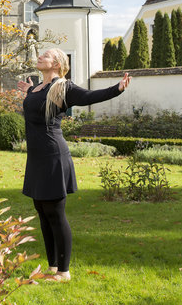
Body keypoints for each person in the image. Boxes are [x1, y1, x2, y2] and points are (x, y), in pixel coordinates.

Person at [17, 48, 131, 282]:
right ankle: (52, 267)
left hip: (53, 156)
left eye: (46, 55)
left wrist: (117, 89)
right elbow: (37, 101)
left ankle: (64, 272)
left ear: (57, 64)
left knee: (55, 214)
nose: (40, 56)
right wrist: (28, 90)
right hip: (37, 158)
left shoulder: (63, 88)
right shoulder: (38, 87)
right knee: (42, 211)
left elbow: (89, 96)